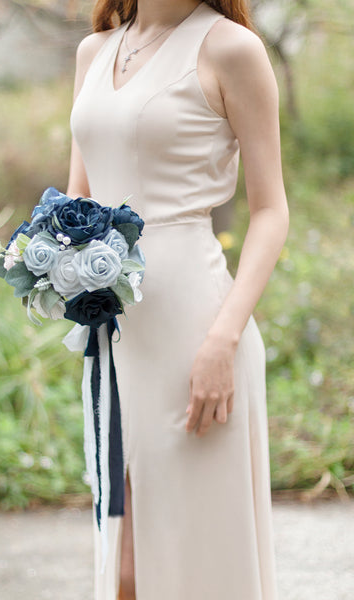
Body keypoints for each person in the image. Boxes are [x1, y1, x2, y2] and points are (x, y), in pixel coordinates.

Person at [66, 0, 289, 598]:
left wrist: (223, 339)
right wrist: (53, 266)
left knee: (197, 554)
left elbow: (271, 211)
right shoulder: (94, 51)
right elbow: (76, 199)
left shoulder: (229, 49)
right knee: (124, 566)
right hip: (111, 328)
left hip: (197, 331)